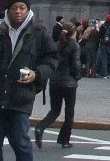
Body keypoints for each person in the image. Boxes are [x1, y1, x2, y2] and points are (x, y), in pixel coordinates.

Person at [0, 0, 57, 161]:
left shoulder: (39, 33)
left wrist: (37, 74)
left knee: (20, 143)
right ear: (8, 11)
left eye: (22, 8)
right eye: (14, 8)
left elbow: (52, 58)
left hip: (21, 97)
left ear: (28, 11)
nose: (18, 11)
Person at [35, 19, 79, 149]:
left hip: (54, 81)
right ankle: (64, 140)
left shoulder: (56, 44)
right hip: (69, 82)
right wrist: (77, 76)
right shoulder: (74, 45)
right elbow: (76, 64)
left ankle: (40, 127)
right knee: (69, 112)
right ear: (74, 32)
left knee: (54, 110)